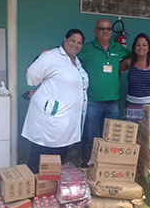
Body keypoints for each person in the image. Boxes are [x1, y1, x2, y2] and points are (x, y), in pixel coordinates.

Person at [21, 29, 88, 173]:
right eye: (72, 41)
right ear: (65, 40)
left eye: (79, 43)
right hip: (51, 115)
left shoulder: (76, 62)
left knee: (59, 154)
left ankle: (48, 188)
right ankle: (29, 187)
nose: (75, 45)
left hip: (67, 119)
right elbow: (32, 77)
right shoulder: (51, 56)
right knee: (40, 152)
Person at [78, 19, 130, 167]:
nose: (105, 31)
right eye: (101, 29)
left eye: (108, 29)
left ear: (111, 32)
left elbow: (136, 56)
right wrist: (51, 52)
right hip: (93, 101)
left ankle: (105, 165)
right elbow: (68, 52)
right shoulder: (86, 48)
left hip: (113, 102)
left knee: (110, 137)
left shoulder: (118, 48)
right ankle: (86, 166)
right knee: (89, 137)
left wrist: (124, 65)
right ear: (95, 31)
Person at [120, 33, 150, 122]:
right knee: (132, 135)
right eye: (138, 45)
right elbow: (114, 69)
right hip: (132, 108)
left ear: (149, 48)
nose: (141, 47)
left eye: (144, 45)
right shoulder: (129, 63)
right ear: (134, 48)